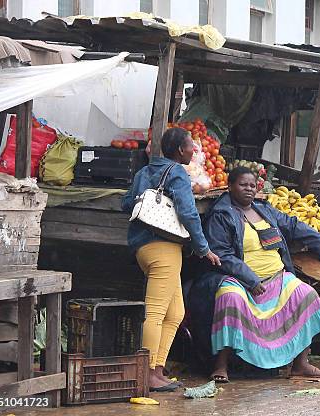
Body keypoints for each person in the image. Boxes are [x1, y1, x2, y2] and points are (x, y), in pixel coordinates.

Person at [189, 166, 320, 383]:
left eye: (252, 185)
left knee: (306, 294)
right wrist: (250, 279)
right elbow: (222, 254)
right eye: (242, 184)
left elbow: (292, 225)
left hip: (276, 278)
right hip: (239, 280)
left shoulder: (263, 210)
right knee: (230, 298)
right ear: (230, 187)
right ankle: (221, 365)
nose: (248, 189)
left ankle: (300, 363)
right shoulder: (222, 215)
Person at [121, 128, 221, 392]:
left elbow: (126, 203)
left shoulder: (144, 172)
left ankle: (156, 369)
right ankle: (146, 373)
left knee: (175, 312)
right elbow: (188, 213)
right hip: (164, 249)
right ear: (179, 150)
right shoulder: (176, 172)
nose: (194, 151)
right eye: (191, 147)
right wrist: (203, 248)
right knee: (155, 313)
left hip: (144, 248)